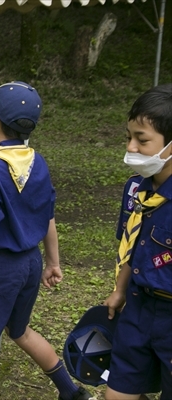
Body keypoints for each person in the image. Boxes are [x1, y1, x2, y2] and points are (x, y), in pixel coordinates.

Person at [0, 81, 93, 400]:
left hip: (1, 270)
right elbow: (48, 217)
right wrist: (53, 262)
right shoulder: (37, 162)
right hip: (31, 263)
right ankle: (70, 391)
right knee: (19, 331)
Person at [103, 84, 172, 400]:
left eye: (142, 140)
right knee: (117, 394)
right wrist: (119, 291)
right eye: (129, 137)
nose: (131, 147)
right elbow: (129, 247)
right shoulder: (135, 191)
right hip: (138, 307)